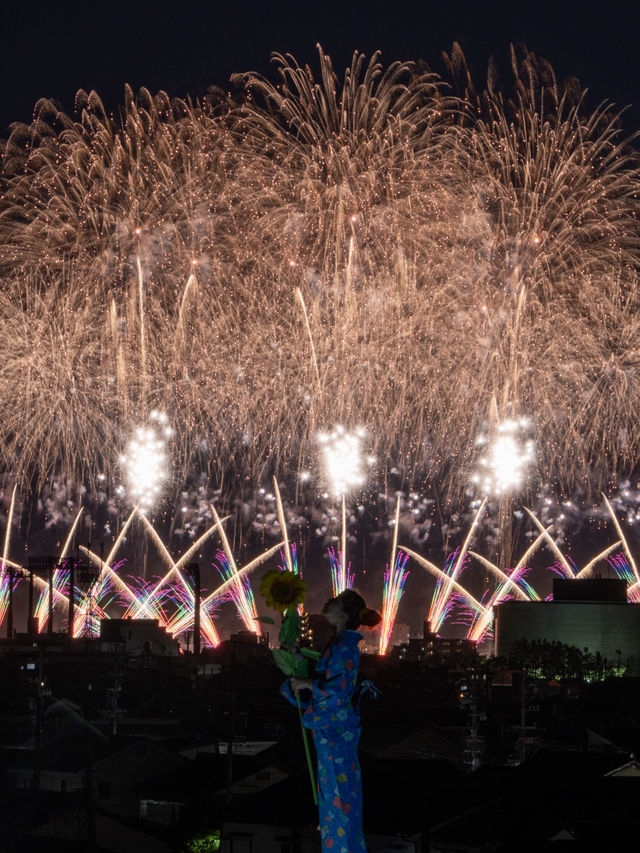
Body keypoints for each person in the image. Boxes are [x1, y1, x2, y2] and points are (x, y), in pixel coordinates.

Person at [281, 588, 381, 852]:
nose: (328, 601)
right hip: (331, 730)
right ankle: (333, 836)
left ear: (344, 616)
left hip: (335, 730)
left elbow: (337, 691)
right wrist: (300, 659)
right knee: (334, 791)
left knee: (339, 790)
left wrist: (306, 683)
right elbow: (329, 680)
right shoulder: (339, 644)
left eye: (335, 602)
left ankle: (339, 843)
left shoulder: (345, 646)